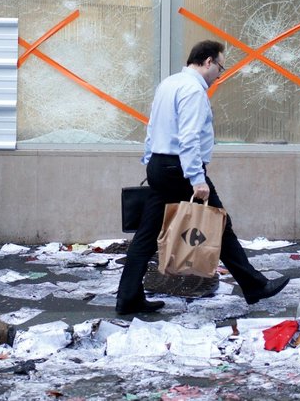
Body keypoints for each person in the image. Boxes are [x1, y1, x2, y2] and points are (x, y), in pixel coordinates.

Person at [116, 39, 290, 314]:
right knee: (219, 224)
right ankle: (254, 285)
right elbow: (189, 138)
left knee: (146, 235)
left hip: (161, 165)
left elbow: (152, 127)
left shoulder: (169, 84)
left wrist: (150, 161)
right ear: (208, 61)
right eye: (220, 66)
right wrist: (197, 179)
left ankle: (128, 297)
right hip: (181, 169)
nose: (220, 73)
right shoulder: (193, 91)